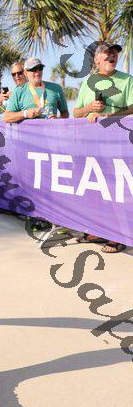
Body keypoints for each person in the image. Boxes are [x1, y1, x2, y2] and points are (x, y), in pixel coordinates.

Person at [73, 41, 133, 253]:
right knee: (95, 190)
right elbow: (76, 113)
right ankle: (98, 230)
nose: (112, 56)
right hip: (91, 147)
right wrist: (90, 107)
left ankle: (118, 235)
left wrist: (108, 115)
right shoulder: (88, 82)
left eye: (115, 53)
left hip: (118, 146)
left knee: (117, 191)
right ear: (97, 59)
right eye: (107, 53)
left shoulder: (127, 80)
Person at [3, 57, 69, 122]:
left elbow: (65, 113)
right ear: (25, 73)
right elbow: (7, 117)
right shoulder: (18, 91)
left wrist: (57, 120)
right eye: (33, 69)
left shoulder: (56, 88)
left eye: (40, 68)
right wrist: (25, 114)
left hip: (50, 129)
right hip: (28, 129)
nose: (38, 72)